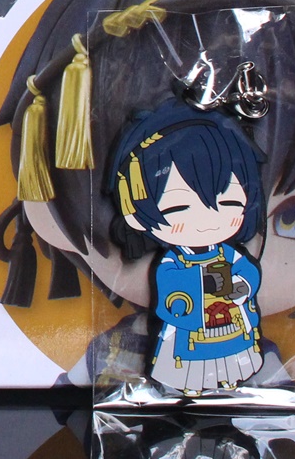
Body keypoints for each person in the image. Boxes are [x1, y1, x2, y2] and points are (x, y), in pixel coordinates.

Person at [0, 0, 295, 389]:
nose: (231, 232)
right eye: (172, 204)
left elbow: (277, 414)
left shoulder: (260, 350)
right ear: (46, 200)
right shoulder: (117, 350)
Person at [109, 98, 267, 393]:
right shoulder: (172, 264)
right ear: (135, 210)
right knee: (190, 368)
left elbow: (248, 273)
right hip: (191, 335)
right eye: (179, 208)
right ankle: (191, 386)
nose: (207, 222)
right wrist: (200, 290)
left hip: (231, 326)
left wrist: (241, 287)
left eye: (229, 203)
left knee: (232, 363)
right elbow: (172, 294)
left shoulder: (230, 254)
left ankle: (230, 380)